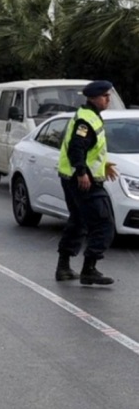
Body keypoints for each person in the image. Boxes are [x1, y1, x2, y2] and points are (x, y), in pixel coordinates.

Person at [55, 80, 119, 285]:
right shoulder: (87, 120)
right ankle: (89, 269)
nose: (108, 99)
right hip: (83, 181)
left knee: (78, 221)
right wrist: (82, 172)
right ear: (93, 98)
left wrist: (103, 165)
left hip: (73, 177)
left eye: (108, 96)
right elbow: (76, 148)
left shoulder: (89, 116)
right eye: (105, 96)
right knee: (104, 223)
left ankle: (63, 268)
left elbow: (89, 149)